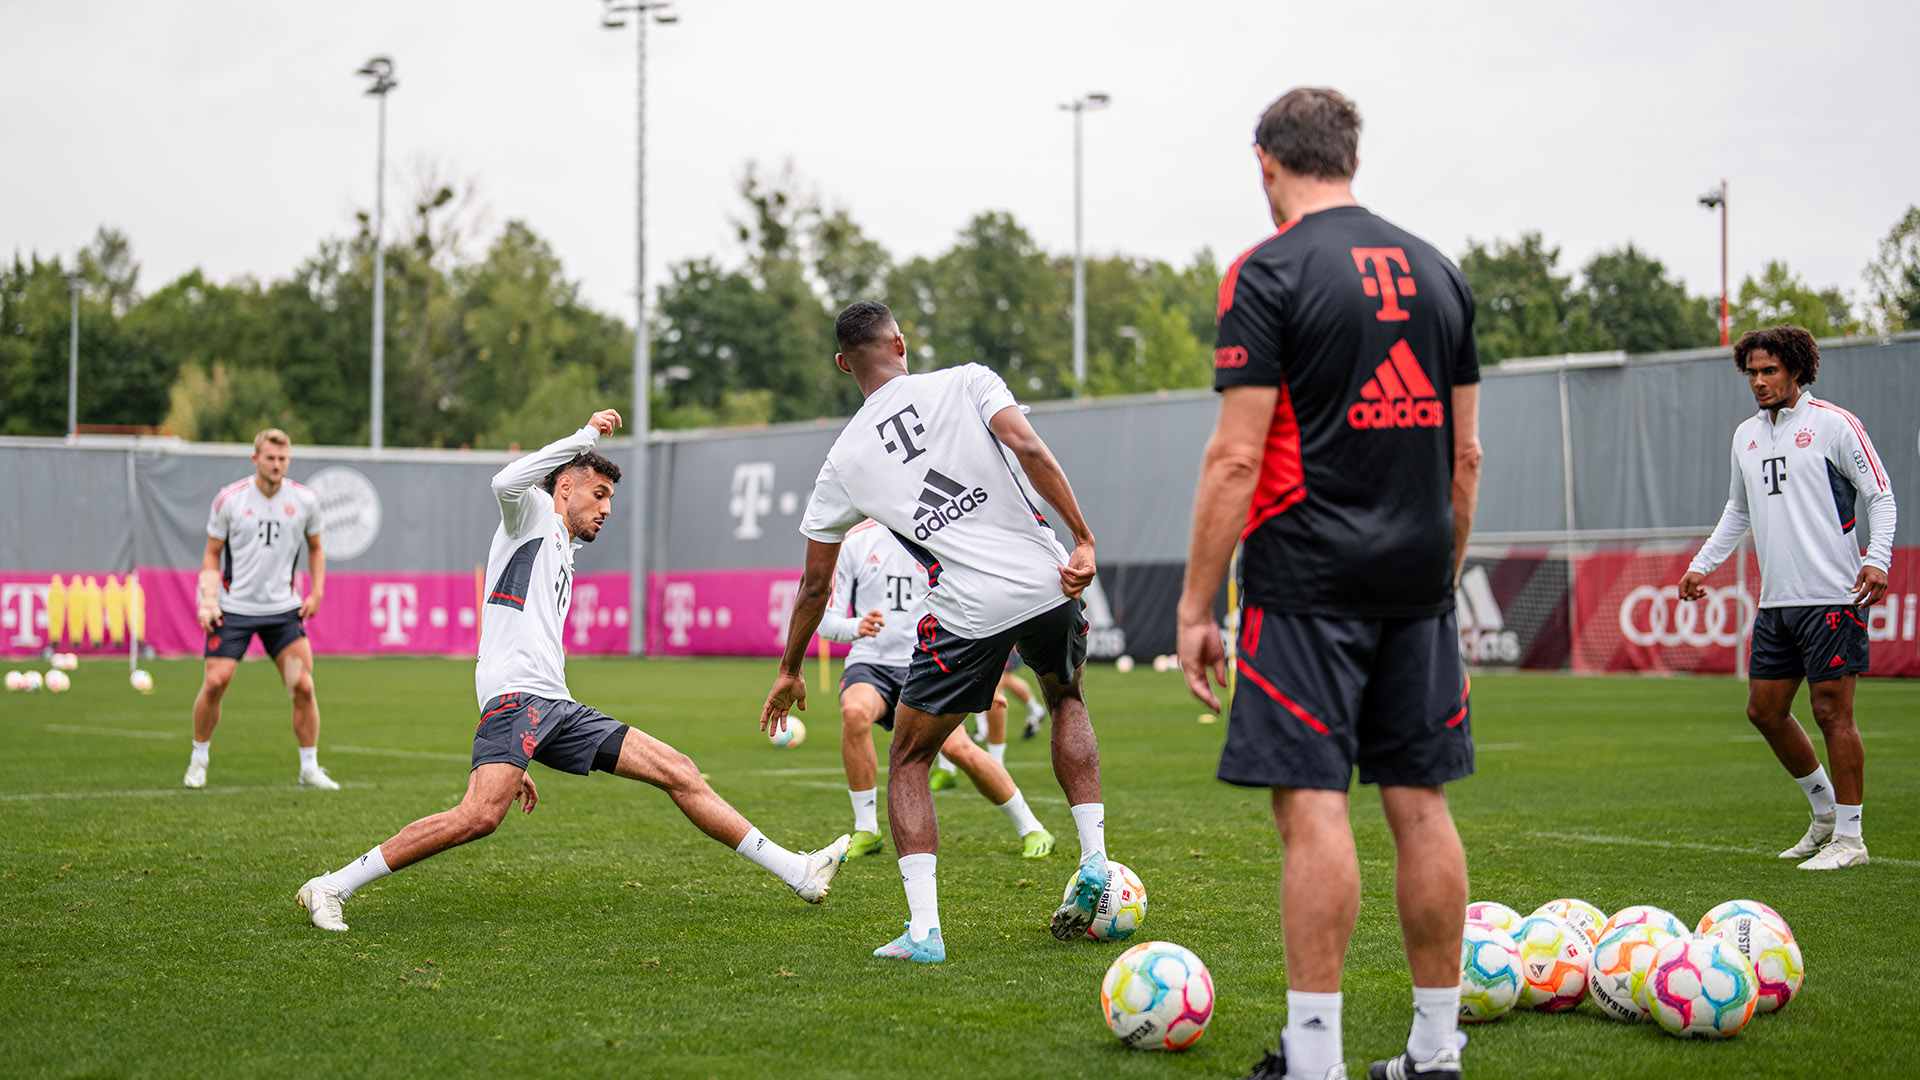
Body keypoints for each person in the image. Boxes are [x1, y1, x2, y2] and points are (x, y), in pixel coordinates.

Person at [1174, 88, 1481, 1080]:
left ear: (1264, 160)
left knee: (1313, 805)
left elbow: (1234, 459)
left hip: (1306, 581)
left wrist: (1194, 607)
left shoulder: (1267, 272)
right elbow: (1464, 459)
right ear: (1351, 151)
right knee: (1421, 805)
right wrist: (1440, 574)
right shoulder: (1439, 272)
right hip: (1418, 580)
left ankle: (1315, 1061)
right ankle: (1436, 1052)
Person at [297, 411, 849, 931]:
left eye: (610, 498)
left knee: (678, 769)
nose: (606, 508)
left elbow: (506, 645)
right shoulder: (532, 513)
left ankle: (795, 871)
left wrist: (519, 750)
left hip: (547, 706)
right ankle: (332, 885)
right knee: (480, 815)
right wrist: (584, 436)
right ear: (565, 488)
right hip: (522, 703)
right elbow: (505, 480)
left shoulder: (562, 547)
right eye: (599, 494)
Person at [762, 300, 1109, 964]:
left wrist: (789, 667)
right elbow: (1029, 447)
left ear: (844, 365)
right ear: (900, 342)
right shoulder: (969, 379)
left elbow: (813, 586)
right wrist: (1083, 538)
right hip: (1047, 581)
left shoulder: (841, 462)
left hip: (967, 612)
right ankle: (1094, 860)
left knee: (912, 759)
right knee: (1067, 698)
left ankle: (925, 931)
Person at [1679, 325, 1894, 871]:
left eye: (1769, 370)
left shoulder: (1835, 425)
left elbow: (1880, 496)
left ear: (1797, 369)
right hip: (1776, 602)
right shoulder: (1745, 435)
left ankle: (1851, 839)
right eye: (1751, 372)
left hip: (1833, 595)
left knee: (1831, 713)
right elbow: (1738, 510)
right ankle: (1825, 815)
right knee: (1764, 711)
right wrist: (1702, 563)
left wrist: (1879, 558)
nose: (1759, 381)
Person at [817, 518, 1054, 860]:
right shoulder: (854, 540)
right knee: (854, 713)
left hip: (926, 662)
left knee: (959, 749)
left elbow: (975, 599)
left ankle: (1032, 827)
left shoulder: (939, 534)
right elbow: (827, 620)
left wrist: (986, 674)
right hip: (871, 662)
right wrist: (857, 626)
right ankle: (867, 829)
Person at [188, 428, 335, 790]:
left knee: (302, 686)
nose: (277, 465)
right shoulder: (230, 499)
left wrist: (316, 592)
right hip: (233, 609)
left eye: (283, 458)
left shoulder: (304, 501)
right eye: (270, 458)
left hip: (283, 611)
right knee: (215, 683)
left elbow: (316, 548)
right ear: (255, 459)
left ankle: (309, 768)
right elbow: (211, 553)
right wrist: (208, 599)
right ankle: (199, 758)